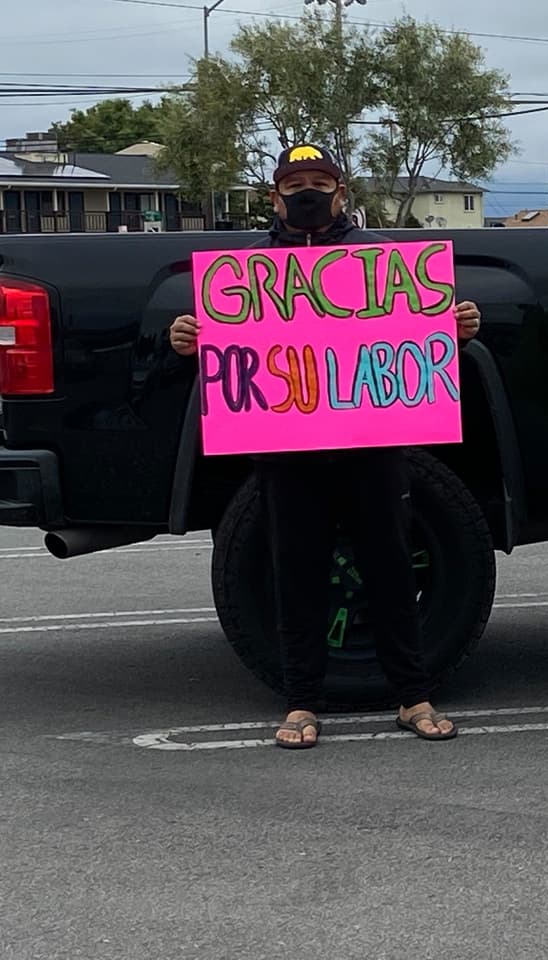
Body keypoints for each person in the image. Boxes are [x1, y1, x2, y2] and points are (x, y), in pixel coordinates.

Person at [169, 144, 482, 748]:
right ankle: (301, 701)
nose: (307, 192)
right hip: (287, 450)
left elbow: (416, 346)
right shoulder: (243, 278)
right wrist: (187, 340)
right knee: (297, 568)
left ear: (342, 194)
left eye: (320, 181)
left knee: (390, 563)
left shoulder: (382, 267)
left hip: (373, 445)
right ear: (274, 197)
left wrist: (455, 326)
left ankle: (413, 695)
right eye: (295, 183)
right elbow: (228, 359)